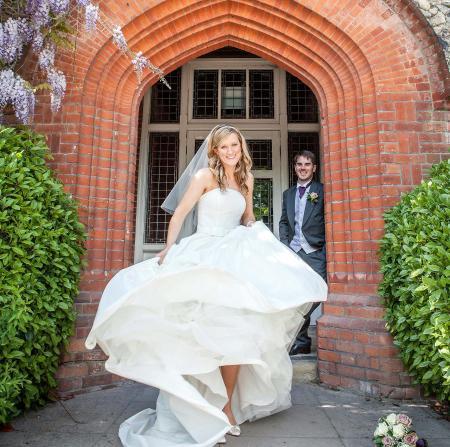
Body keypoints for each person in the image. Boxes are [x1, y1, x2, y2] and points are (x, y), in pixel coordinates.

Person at [86, 125, 327, 447]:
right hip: (204, 255)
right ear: (214, 150)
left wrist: (260, 236)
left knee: (237, 336)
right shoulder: (203, 177)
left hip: (235, 259)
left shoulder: (247, 179)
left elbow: (248, 218)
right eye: (224, 146)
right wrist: (169, 248)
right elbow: (179, 215)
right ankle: (194, 406)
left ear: (241, 148)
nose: (230, 151)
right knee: (200, 336)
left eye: (235, 145)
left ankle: (226, 409)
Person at [279, 150, 327, 356]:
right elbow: (283, 221)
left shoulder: (322, 190)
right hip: (294, 251)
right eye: (299, 164)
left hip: (315, 251)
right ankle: (301, 341)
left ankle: (299, 337)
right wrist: (285, 245)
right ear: (295, 167)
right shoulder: (288, 194)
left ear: (314, 168)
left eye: (307, 164)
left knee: (312, 296)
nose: (303, 168)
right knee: (296, 296)